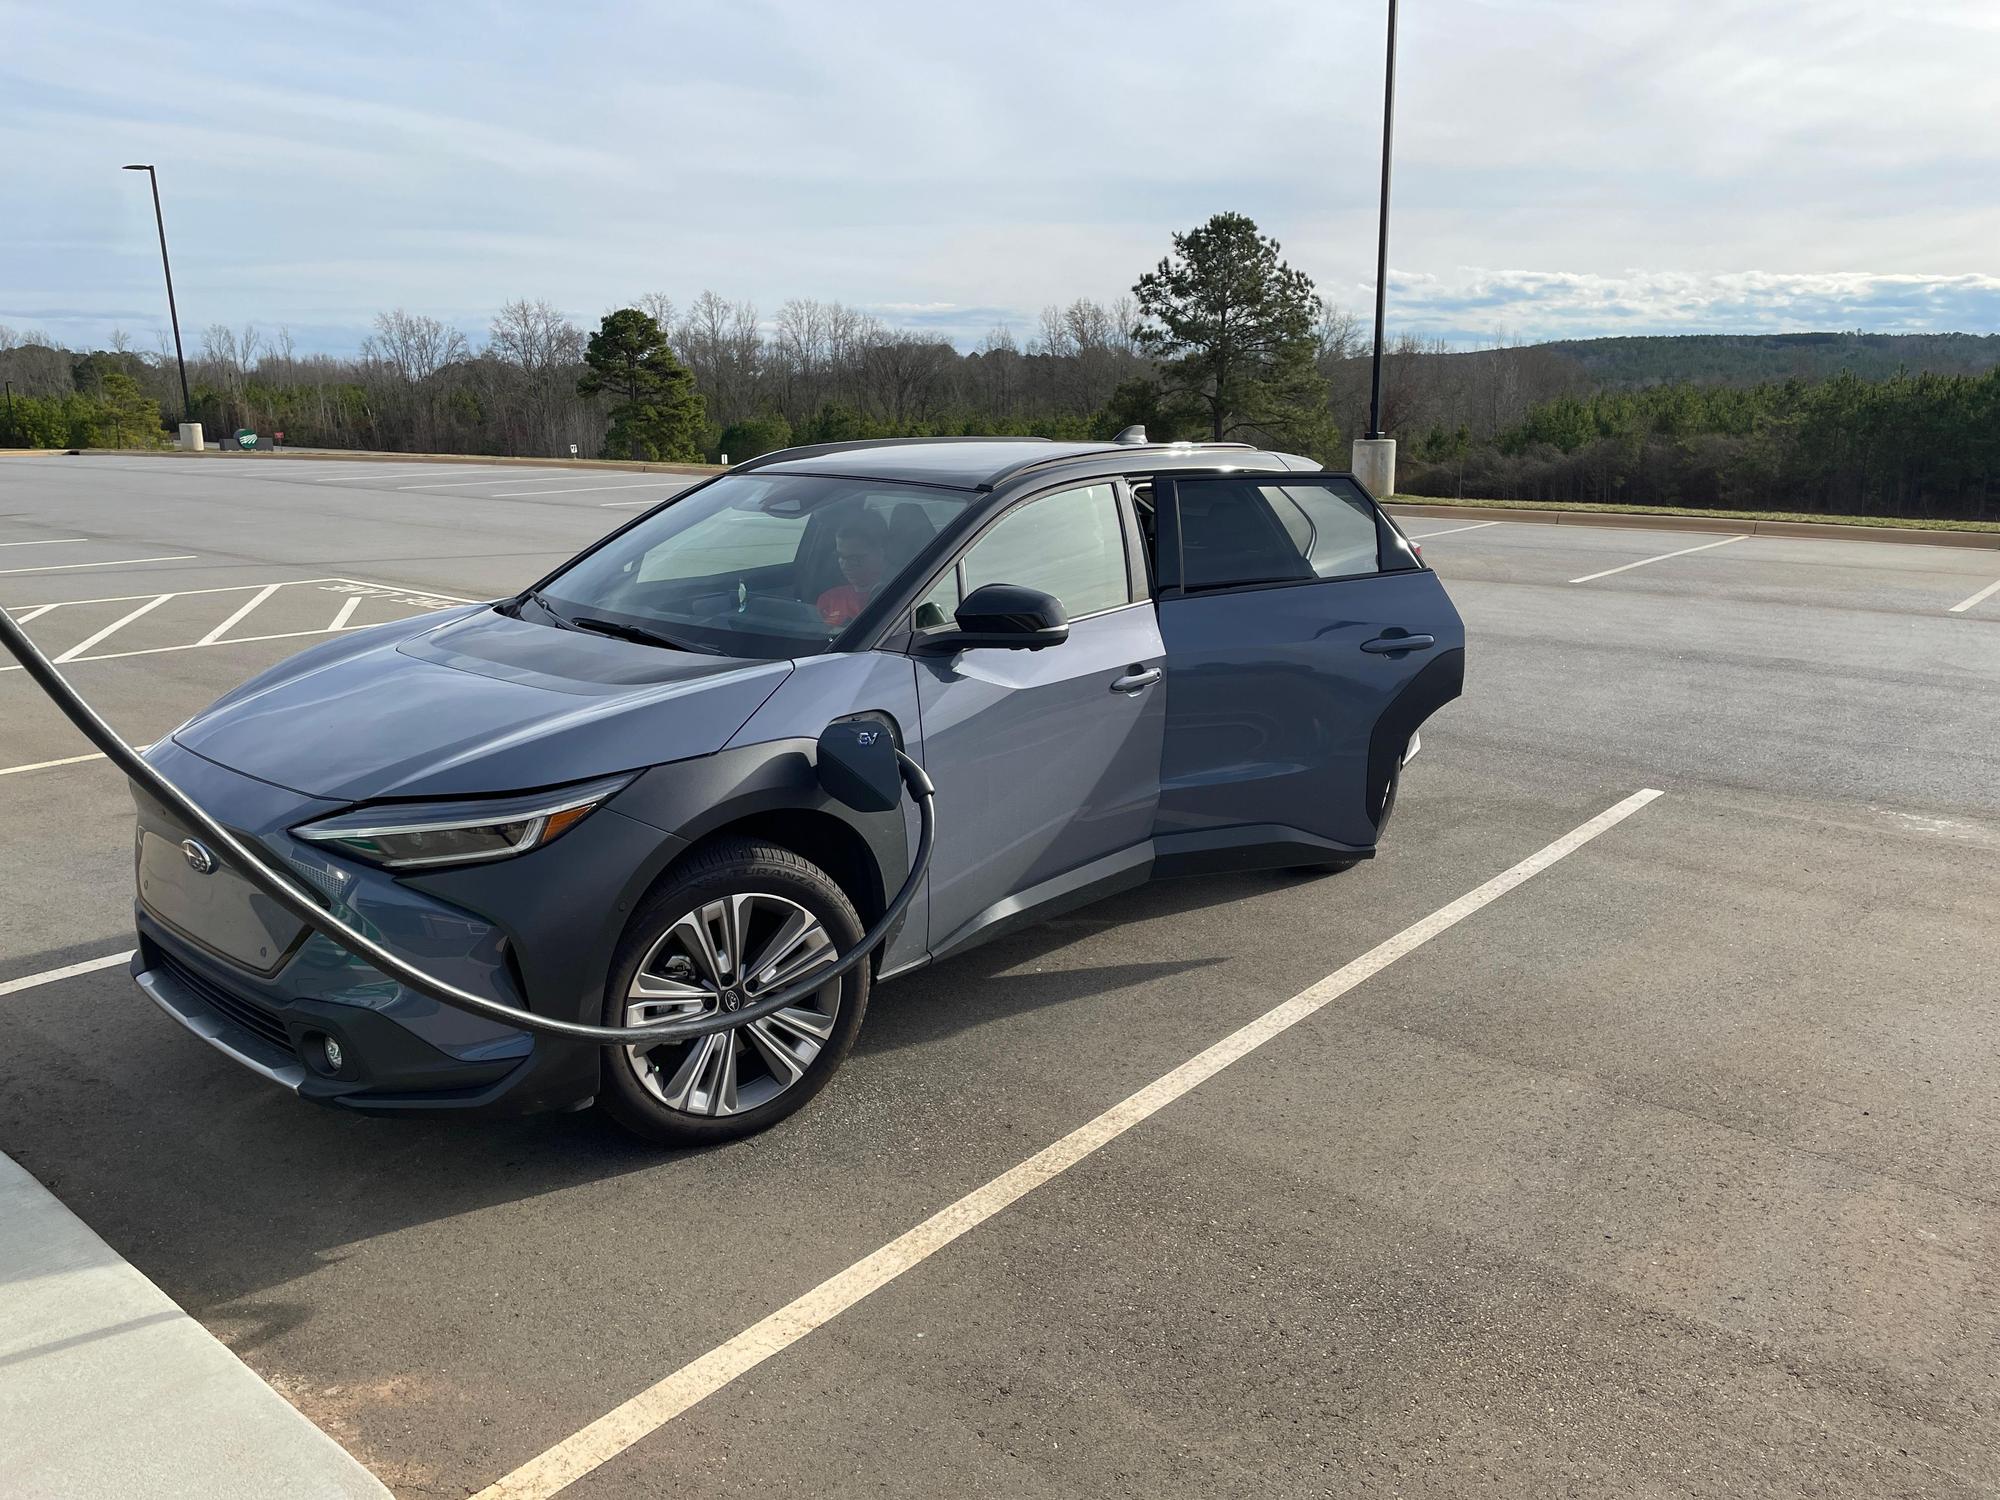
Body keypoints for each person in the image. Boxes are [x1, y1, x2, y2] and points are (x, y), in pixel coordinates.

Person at [816, 512, 890, 627]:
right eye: (841, 556)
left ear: (881, 553)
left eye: (855, 558)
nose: (846, 565)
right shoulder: (828, 600)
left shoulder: (901, 598)